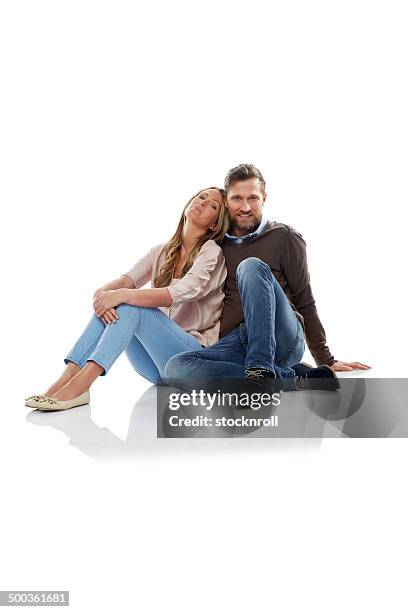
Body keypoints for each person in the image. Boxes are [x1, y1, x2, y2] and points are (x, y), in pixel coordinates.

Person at [165, 164, 370, 390]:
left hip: (282, 336)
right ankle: (291, 378)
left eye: (253, 198)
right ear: (226, 202)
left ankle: (260, 371)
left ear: (264, 198)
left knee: (250, 267)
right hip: (239, 342)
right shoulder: (216, 245)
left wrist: (326, 359)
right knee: (176, 368)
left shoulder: (284, 237)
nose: (245, 207)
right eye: (237, 199)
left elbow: (304, 299)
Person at [25, 187, 229, 411]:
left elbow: (182, 291)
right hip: (154, 367)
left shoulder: (211, 252)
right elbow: (123, 282)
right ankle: (67, 378)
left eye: (212, 205)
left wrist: (120, 296)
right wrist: (101, 297)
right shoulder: (160, 252)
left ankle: (82, 385)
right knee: (119, 302)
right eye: (201, 197)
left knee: (130, 305)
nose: (202, 202)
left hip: (190, 359)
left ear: (214, 225)